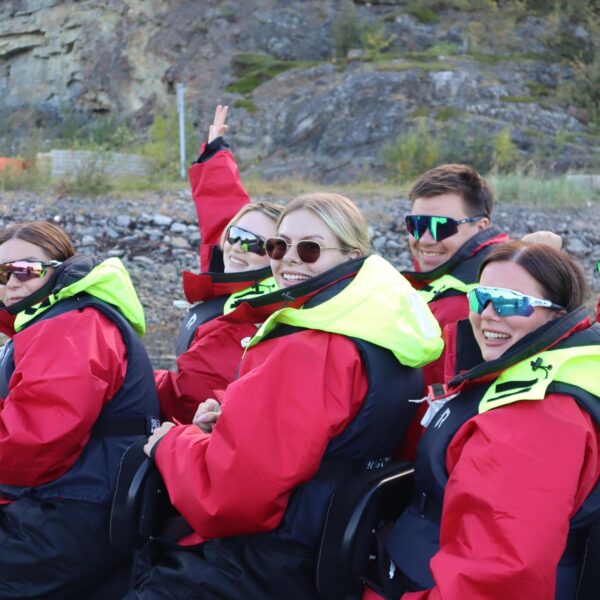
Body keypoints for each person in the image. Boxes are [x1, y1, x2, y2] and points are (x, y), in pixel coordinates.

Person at [126, 192, 444, 599]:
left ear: (353, 254)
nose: (288, 259)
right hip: (327, 551)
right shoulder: (388, 336)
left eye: (309, 249)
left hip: (262, 560)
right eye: (278, 245)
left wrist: (171, 443)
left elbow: (233, 496)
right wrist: (233, 414)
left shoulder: (311, 348)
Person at [370, 241, 600, 600]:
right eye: (481, 297)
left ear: (557, 316)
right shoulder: (533, 369)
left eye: (511, 302)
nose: (489, 313)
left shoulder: (532, 419)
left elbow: (498, 577)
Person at [0, 221, 159, 599]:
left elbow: (32, 443)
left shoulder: (72, 327)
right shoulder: (60, 320)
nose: (10, 283)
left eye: (24, 270)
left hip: (70, 514)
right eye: (2, 273)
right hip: (79, 507)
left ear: (59, 269)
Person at [155, 105, 282, 422]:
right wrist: (215, 152)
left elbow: (186, 400)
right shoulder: (236, 269)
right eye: (236, 236)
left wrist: (125, 373)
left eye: (255, 244)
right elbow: (224, 213)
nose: (238, 246)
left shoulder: (245, 331)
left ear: (280, 258)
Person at [401, 163, 509, 385]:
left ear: (481, 227)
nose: (426, 239)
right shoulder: (504, 264)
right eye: (417, 224)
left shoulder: (464, 308)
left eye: (441, 226)